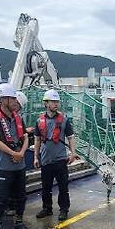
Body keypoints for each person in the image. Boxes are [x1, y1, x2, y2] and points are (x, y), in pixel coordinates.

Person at [0, 83, 30, 229]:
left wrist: (22, 152)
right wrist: (13, 152)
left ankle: (19, 222)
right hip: (4, 166)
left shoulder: (18, 118)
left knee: (21, 195)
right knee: (2, 197)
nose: (15, 101)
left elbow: (25, 137)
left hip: (20, 165)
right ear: (3, 99)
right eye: (12, 98)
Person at [34, 89, 77, 221]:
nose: (56, 104)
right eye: (53, 101)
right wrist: (36, 157)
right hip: (46, 160)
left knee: (63, 186)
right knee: (46, 187)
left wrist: (73, 154)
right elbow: (37, 139)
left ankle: (64, 209)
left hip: (60, 159)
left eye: (57, 101)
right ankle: (47, 208)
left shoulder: (64, 120)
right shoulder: (39, 120)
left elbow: (70, 138)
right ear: (46, 103)